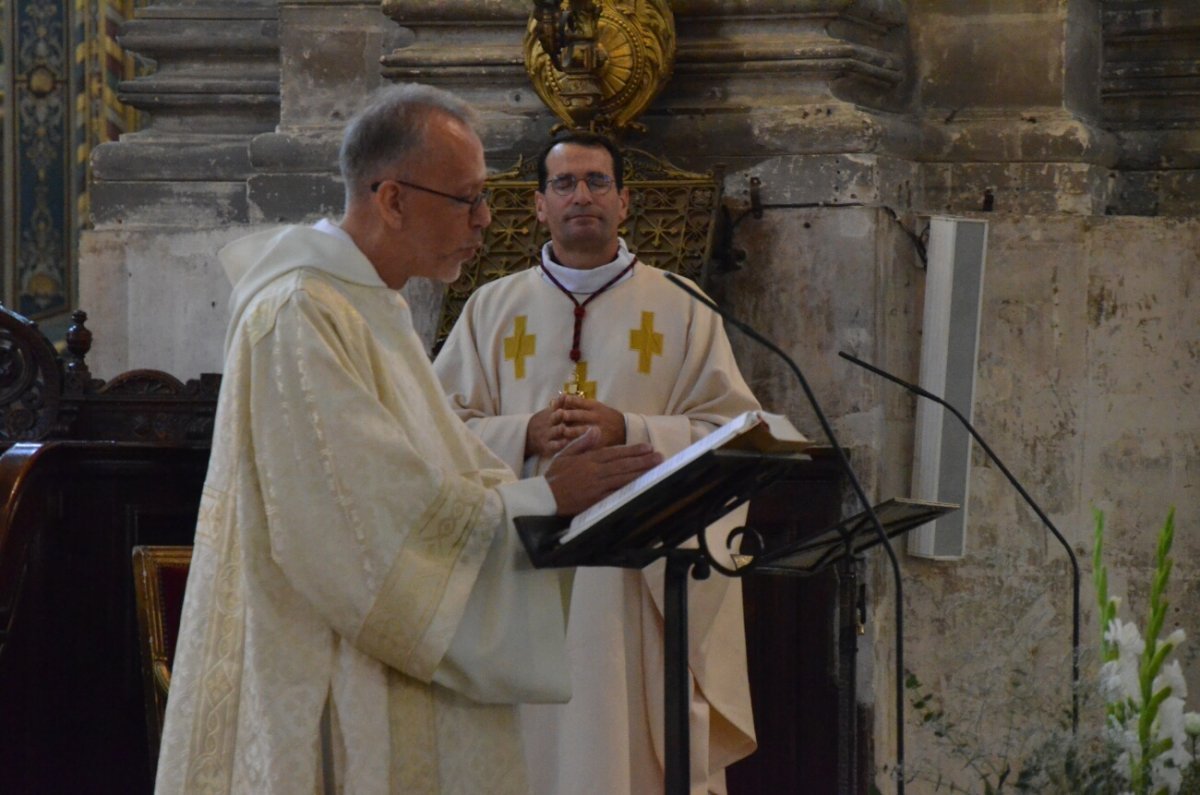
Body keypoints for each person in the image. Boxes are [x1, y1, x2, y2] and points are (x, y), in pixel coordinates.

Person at [155, 86, 662, 795]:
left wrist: (524, 480)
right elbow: (356, 524)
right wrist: (542, 497)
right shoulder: (300, 313)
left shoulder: (371, 305)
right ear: (392, 199)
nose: (486, 220)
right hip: (326, 676)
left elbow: (425, 463)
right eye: (468, 199)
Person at [434, 131, 765, 794]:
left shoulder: (684, 307)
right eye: (564, 183)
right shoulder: (489, 309)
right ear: (537, 205)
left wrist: (631, 428)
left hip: (635, 586)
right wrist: (522, 433)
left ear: (625, 201)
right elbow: (433, 436)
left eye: (597, 182)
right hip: (523, 571)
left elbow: (731, 436)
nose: (581, 195)